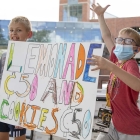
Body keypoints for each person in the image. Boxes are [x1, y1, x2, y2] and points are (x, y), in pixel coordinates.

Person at [87, 3, 140, 140]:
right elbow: (106, 36)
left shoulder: (130, 64)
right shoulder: (116, 59)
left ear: (136, 49)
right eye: (120, 40)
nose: (122, 44)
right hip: (108, 118)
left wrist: (111, 67)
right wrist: (100, 16)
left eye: (128, 41)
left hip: (128, 126)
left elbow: (137, 85)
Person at [0, 16, 32, 140]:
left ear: (28, 34)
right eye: (11, 30)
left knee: (19, 136)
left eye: (19, 30)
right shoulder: (4, 55)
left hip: (19, 107)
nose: (14, 33)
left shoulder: (32, 55)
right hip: (3, 104)